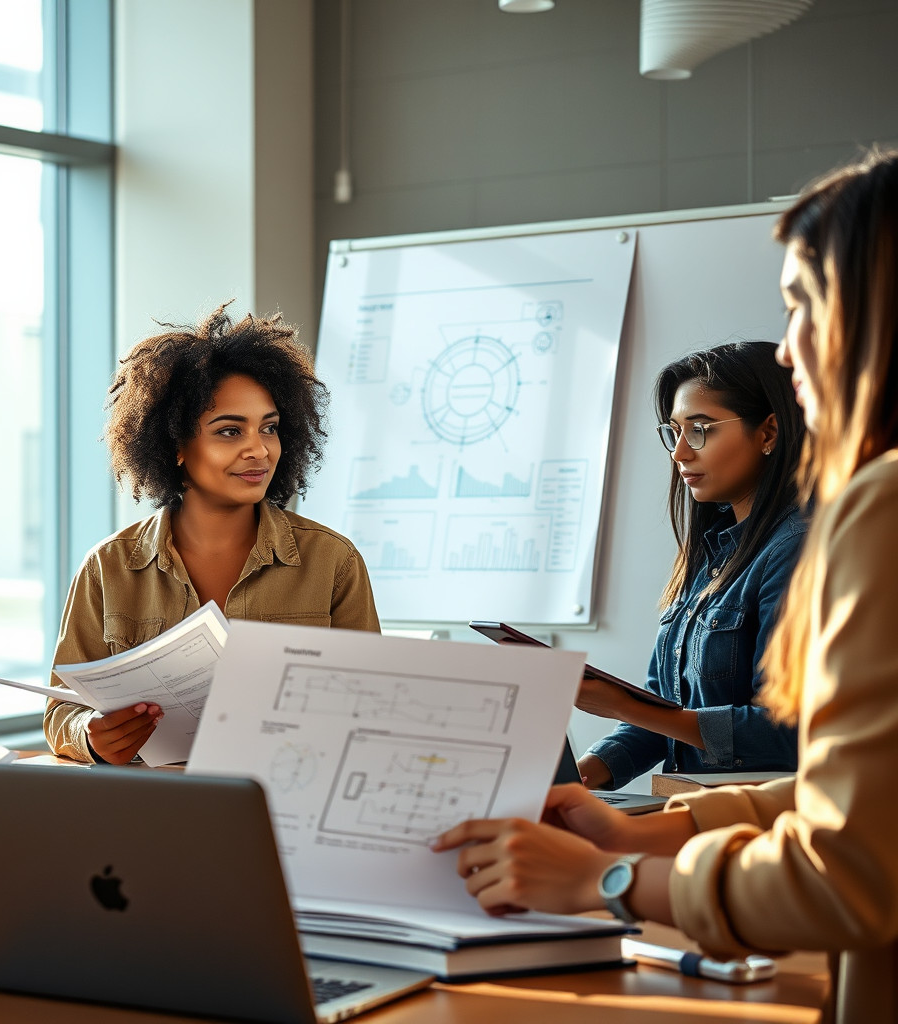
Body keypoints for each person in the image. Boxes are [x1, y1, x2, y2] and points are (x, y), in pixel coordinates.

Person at [433, 150, 898, 1023]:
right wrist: (639, 821)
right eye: (671, 431)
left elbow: (848, 862)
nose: (791, 346)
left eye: (803, 306)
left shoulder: (866, 511)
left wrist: (612, 876)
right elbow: (872, 796)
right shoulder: (717, 552)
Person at [46, 304, 380, 765]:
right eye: (229, 431)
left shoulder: (332, 561)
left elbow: (372, 707)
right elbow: (62, 708)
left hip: (281, 802)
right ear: (176, 446)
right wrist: (91, 735)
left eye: (269, 428)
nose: (259, 449)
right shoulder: (108, 567)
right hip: (152, 812)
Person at [577, 341, 805, 789]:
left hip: (759, 827)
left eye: (700, 430)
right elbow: (664, 716)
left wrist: (625, 706)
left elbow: (788, 729)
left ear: (769, 433)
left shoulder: (797, 548)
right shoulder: (712, 554)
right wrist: (579, 776)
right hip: (691, 813)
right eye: (675, 432)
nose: (679, 453)